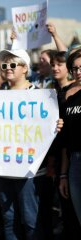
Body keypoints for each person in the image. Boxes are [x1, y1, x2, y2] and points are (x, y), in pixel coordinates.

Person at [0, 49, 63, 240]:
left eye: (12, 65)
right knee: (10, 221)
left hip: (30, 172)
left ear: (25, 68)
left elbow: (51, 126)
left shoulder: (41, 96)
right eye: (4, 65)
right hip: (3, 169)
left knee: (32, 221)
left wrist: (56, 124)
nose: (8, 69)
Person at [59, 49, 81, 225]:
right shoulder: (67, 95)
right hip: (74, 161)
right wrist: (63, 175)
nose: (78, 72)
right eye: (75, 68)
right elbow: (65, 141)